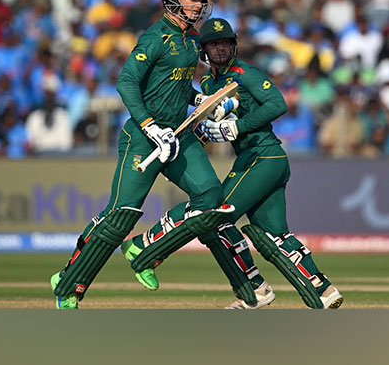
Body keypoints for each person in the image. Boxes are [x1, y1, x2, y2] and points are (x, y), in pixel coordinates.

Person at [123, 18, 343, 309]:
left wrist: (237, 129)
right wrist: (184, 150)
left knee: (214, 214)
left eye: (225, 43)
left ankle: (251, 286)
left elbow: (277, 104)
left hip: (264, 156)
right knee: (272, 233)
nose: (220, 49)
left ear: (234, 45)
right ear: (203, 50)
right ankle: (324, 290)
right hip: (254, 159)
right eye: (214, 44)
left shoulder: (245, 72)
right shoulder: (206, 83)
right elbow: (209, 124)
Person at [50, 0, 237, 309]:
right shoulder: (155, 38)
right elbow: (126, 83)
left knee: (211, 197)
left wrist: (204, 103)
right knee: (121, 214)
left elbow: (177, 88)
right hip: (143, 138)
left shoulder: (192, 40)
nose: (200, 3)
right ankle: (69, 285)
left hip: (178, 135)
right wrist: (151, 127)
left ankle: (145, 249)